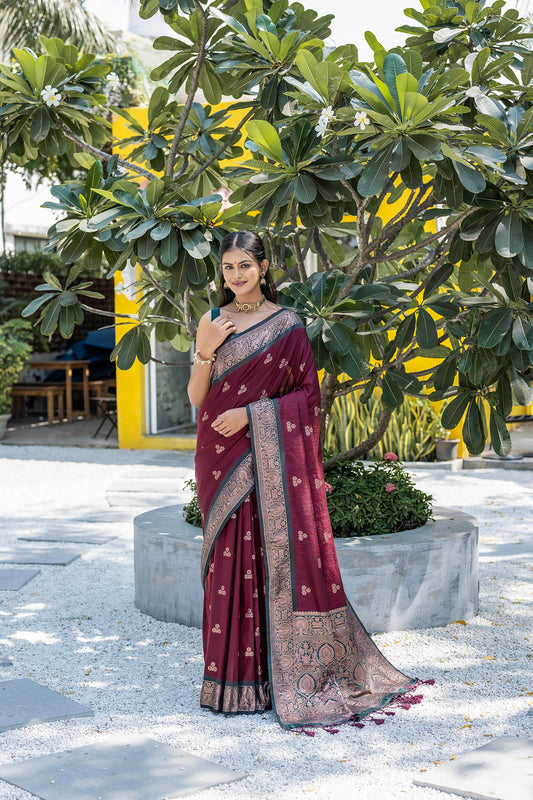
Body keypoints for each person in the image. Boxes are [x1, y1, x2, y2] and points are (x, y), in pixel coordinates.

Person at [187, 230, 421, 730]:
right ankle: (228, 680)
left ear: (265, 267)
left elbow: (306, 400)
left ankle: (269, 679)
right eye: (227, 267)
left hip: (255, 444)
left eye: (245, 265)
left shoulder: (288, 325)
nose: (235, 276)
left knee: (264, 556)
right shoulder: (211, 320)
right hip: (217, 453)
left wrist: (253, 416)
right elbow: (196, 397)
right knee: (226, 558)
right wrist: (206, 349)